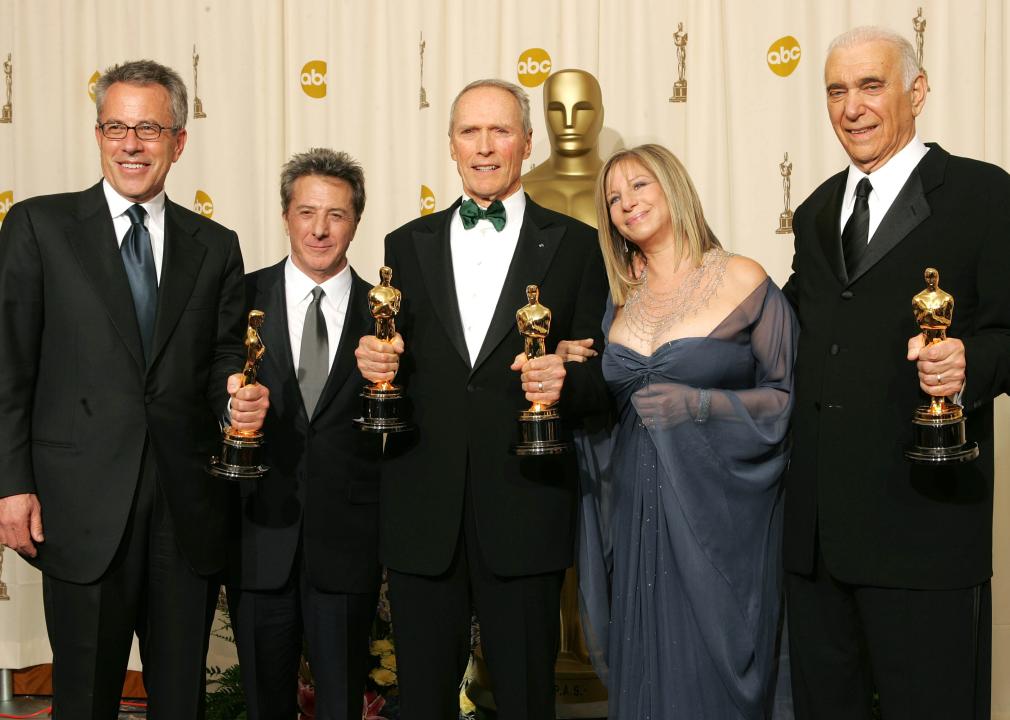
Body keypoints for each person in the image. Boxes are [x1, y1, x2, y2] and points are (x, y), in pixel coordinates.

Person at [0, 59, 269, 717]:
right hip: (77, 508)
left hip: (185, 510)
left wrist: (237, 395)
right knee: (86, 697)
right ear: (97, 134)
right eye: (115, 126)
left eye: (148, 128)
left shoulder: (216, 245)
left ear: (179, 141)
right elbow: (9, 367)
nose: (130, 144)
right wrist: (11, 483)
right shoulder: (38, 228)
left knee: (181, 699)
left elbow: (221, 362)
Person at [354, 78, 609, 720]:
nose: (486, 146)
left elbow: (600, 375)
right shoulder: (403, 247)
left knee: (525, 700)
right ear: (450, 145)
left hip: (525, 504)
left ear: (526, 142)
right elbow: (395, 372)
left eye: (500, 131)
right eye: (471, 131)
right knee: (422, 702)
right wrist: (374, 366)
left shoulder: (577, 246)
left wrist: (565, 381)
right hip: (423, 511)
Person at [782, 26, 1010, 720]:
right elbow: (791, 328)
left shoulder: (983, 193)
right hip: (818, 541)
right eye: (837, 90)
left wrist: (970, 361)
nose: (852, 107)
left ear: (917, 91)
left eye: (870, 86)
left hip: (924, 534)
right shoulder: (819, 208)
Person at [565, 143, 796, 719]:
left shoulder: (743, 277)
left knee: (716, 661)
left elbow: (785, 398)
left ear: (673, 187)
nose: (626, 203)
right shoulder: (620, 300)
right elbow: (606, 411)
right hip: (637, 511)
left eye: (639, 186)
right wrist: (574, 367)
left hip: (720, 515)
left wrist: (699, 404)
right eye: (613, 198)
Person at [227, 149, 382, 720]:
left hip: (348, 542)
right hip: (257, 538)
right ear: (285, 215)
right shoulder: (238, 300)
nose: (320, 229)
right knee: (266, 703)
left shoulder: (389, 312)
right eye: (307, 212)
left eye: (336, 215)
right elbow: (206, 403)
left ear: (357, 221)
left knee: (342, 704)